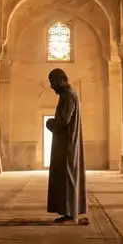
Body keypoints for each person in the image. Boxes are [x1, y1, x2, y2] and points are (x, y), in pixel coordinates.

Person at [45, 68, 87, 223]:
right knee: (66, 177)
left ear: (60, 80)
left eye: (53, 83)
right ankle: (68, 211)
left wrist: (49, 123)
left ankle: (71, 214)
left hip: (67, 144)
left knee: (68, 176)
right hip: (66, 142)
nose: (51, 87)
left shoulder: (68, 95)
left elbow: (64, 120)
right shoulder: (67, 94)